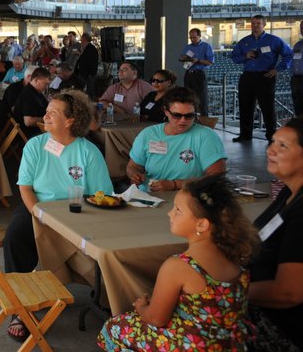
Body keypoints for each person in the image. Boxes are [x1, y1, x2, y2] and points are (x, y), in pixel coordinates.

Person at [98, 173, 258, 351]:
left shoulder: (179, 265)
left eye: (178, 210)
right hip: (230, 344)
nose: (170, 213)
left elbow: (156, 318)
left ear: (201, 225)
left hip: (191, 345)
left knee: (113, 327)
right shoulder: (235, 256)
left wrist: (142, 307)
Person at [4, 90, 113, 341]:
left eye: (53, 112)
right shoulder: (35, 145)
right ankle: (19, 309)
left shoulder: (89, 151)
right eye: (47, 111)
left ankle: (108, 296)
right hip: (39, 207)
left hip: (79, 211)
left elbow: (100, 194)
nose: (45, 115)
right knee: (16, 237)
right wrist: (38, 214)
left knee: (106, 244)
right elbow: (25, 188)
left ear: (70, 120)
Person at [247, 117, 303, 351]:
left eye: (283, 146)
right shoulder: (289, 193)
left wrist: (227, 291)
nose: (270, 150)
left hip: (280, 328)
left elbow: (289, 292)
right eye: (273, 142)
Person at [126, 87, 226, 192]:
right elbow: (133, 166)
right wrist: (135, 175)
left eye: (189, 116)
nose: (183, 121)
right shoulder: (148, 134)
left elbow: (217, 177)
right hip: (149, 196)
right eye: (177, 115)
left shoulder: (206, 136)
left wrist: (175, 184)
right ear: (166, 111)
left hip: (189, 196)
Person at [231, 14, 293, 143]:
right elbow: (234, 57)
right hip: (247, 76)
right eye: (253, 23)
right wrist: (245, 55)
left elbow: (288, 55)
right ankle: (245, 135)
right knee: (245, 107)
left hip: (265, 76)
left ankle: (272, 136)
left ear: (264, 24)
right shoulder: (244, 41)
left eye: (258, 23)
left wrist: (278, 69)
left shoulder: (274, 40)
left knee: (267, 108)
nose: (255, 26)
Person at [179, 28, 214, 116]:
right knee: (188, 97)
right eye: (191, 38)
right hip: (189, 73)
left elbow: (210, 62)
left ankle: (204, 120)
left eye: (194, 37)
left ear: (199, 36)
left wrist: (198, 61)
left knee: (202, 98)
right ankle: (190, 117)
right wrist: (183, 58)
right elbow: (181, 57)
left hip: (199, 73)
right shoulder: (188, 47)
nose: (192, 39)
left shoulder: (206, 46)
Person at [13, 68, 50, 138]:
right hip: (29, 133)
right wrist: (48, 118)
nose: (46, 87)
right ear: (36, 80)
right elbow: (28, 122)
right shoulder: (28, 94)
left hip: (37, 130)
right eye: (45, 84)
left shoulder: (36, 92)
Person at [291, 21, 303, 116]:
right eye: (301, 27)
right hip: (296, 80)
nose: (302, 30)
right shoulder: (297, 45)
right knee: (298, 108)